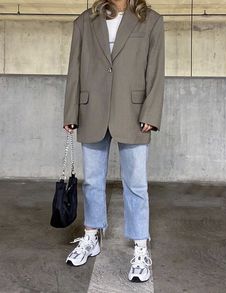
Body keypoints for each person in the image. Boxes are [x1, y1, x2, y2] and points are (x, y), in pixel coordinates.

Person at [63, 0, 165, 283]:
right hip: (92, 110)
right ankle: (91, 236)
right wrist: (71, 111)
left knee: (136, 184)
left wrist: (151, 113)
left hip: (132, 112)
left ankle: (141, 248)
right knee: (93, 181)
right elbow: (75, 68)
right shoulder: (85, 20)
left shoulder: (151, 20)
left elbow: (156, 72)